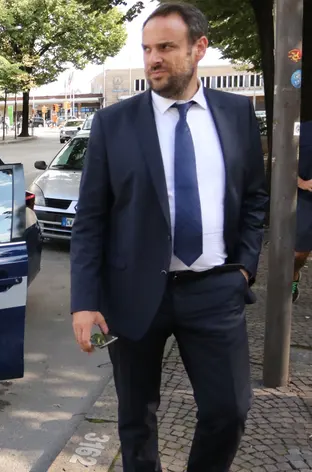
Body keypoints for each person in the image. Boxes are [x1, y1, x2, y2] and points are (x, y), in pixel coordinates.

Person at [69, 3, 268, 472]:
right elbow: (91, 217)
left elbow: (255, 198)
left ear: (199, 48)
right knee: (136, 417)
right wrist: (84, 300)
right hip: (133, 293)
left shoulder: (237, 114)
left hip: (216, 287)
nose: (153, 59)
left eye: (166, 48)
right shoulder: (114, 124)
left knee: (229, 410)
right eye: (147, 49)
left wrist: (243, 268)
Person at [293, 121, 312, 302]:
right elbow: (284, 159)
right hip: (306, 200)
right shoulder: (301, 129)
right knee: (298, 254)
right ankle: (294, 278)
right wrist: (301, 182)